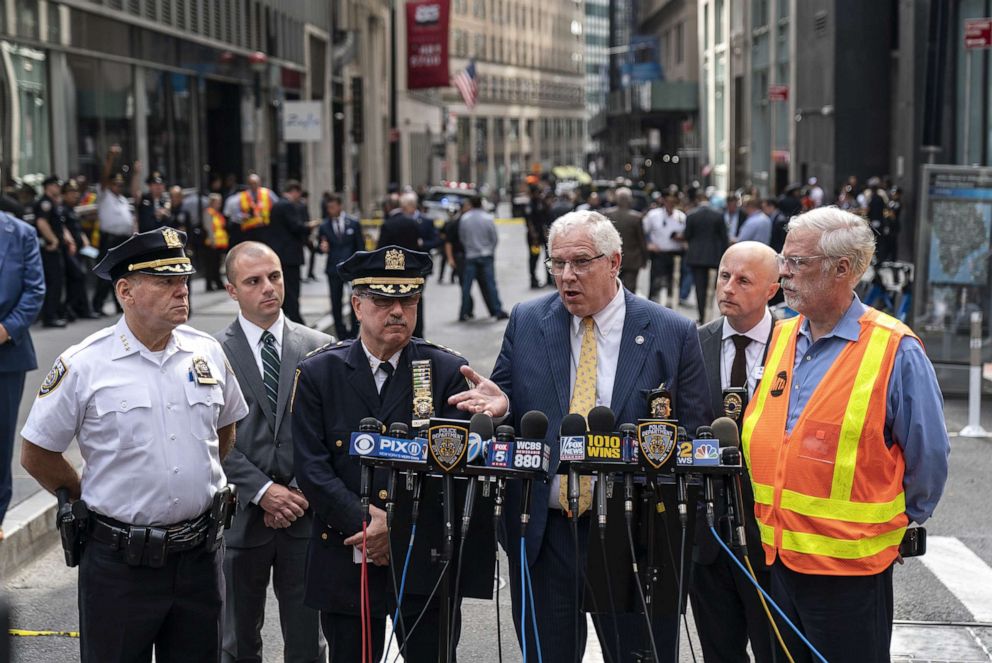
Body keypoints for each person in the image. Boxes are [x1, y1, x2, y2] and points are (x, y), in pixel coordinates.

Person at [448, 210, 712, 662]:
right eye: (557, 263)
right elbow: (507, 394)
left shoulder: (672, 331)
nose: (567, 276)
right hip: (545, 532)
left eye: (581, 262)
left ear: (615, 262)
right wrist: (502, 405)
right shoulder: (528, 321)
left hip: (635, 535)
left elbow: (692, 433)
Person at [20, 227, 249, 662]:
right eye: (166, 282)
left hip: (199, 557)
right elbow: (36, 452)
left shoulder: (207, 353)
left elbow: (225, 430)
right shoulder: (85, 363)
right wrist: (89, 495)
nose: (182, 291)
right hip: (120, 565)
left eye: (183, 280)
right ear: (125, 291)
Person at [742, 207, 950, 662]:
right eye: (784, 259)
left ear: (842, 270)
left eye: (798, 262)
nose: (785, 272)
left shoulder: (894, 348)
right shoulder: (782, 335)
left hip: (849, 575)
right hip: (777, 563)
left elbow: (928, 458)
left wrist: (889, 524)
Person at [291, 245, 494, 662]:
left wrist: (396, 529)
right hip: (347, 552)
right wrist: (367, 523)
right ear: (357, 305)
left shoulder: (445, 371)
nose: (398, 311)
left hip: (423, 558)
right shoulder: (318, 373)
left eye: (409, 300)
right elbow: (312, 467)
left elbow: (455, 467)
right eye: (384, 301)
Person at [217, 242, 331, 663]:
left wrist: (298, 490)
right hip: (241, 518)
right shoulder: (210, 353)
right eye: (253, 281)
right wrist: (263, 490)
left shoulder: (320, 346)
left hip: (304, 515)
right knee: (236, 642)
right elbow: (209, 436)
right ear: (231, 291)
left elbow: (330, 433)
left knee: (308, 643)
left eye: (275, 276)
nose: (268, 288)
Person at [693, 241, 782, 663]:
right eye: (724, 276)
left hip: (770, 535)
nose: (728, 287)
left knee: (773, 648)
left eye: (744, 280)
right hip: (708, 536)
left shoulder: (794, 347)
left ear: (772, 289)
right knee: (719, 652)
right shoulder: (693, 345)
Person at [0, 210, 44, 541]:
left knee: (1, 438)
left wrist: (6, 330)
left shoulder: (20, 233)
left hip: (7, 353)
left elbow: (34, 291)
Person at [92, 145, 138, 316]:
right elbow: (103, 177)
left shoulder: (122, 200)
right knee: (105, 273)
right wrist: (110, 158)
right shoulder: (104, 195)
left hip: (123, 239)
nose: (118, 186)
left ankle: (120, 304)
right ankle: (97, 305)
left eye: (120, 184)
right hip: (109, 239)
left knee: (122, 273)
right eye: (115, 183)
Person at [266, 180, 314, 324]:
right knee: (292, 289)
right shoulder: (287, 205)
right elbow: (296, 227)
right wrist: (309, 227)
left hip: (280, 253)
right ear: (295, 191)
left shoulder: (276, 205)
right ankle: (297, 320)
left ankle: (287, 318)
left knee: (283, 287)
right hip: (290, 254)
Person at [318, 193, 363, 339]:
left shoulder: (353, 223)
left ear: (339, 206)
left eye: (332, 207)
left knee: (355, 300)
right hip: (333, 269)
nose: (330, 210)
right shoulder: (324, 226)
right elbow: (319, 246)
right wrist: (321, 247)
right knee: (335, 302)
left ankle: (354, 333)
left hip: (351, 269)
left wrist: (360, 268)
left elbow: (360, 247)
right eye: (328, 207)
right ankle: (341, 334)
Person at [457, 195, 509, 322]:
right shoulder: (488, 218)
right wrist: (490, 250)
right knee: (490, 284)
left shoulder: (464, 218)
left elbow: (462, 237)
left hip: (471, 255)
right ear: (481, 203)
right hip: (486, 255)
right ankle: (497, 310)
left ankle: (463, 312)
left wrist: (469, 248)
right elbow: (494, 238)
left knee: (466, 286)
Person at [684, 192, 729, 324]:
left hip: (697, 257)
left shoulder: (691, 215)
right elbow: (724, 238)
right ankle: (718, 314)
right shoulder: (718, 215)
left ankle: (703, 315)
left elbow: (687, 235)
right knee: (718, 287)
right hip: (714, 257)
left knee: (700, 288)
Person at [33, 175, 69, 327]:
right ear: (48, 186)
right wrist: (53, 240)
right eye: (55, 185)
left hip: (55, 247)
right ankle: (50, 317)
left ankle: (54, 313)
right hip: (48, 248)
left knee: (57, 281)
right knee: (53, 281)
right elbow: (41, 222)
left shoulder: (53, 203)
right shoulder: (45, 203)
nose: (58, 188)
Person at [61, 179, 99, 321]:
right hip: (69, 250)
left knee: (79, 278)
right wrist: (70, 240)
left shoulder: (72, 210)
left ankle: (79, 309)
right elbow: (63, 228)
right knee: (78, 276)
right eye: (71, 192)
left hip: (79, 249)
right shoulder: (62, 209)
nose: (75, 195)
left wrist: (84, 239)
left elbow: (77, 229)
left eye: (76, 192)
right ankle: (69, 308)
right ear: (64, 194)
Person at [643, 190, 687, 306]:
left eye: (673, 202)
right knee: (656, 283)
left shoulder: (681, 217)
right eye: (668, 201)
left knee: (673, 283)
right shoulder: (653, 215)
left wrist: (681, 238)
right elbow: (643, 232)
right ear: (664, 201)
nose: (670, 204)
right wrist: (649, 244)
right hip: (659, 254)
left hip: (676, 255)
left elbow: (687, 234)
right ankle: (652, 306)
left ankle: (671, 305)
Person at [604, 187, 647, 293]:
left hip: (611, 257)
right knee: (630, 290)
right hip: (632, 259)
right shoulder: (636, 217)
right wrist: (645, 258)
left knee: (611, 289)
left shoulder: (607, 214)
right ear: (630, 200)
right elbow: (641, 240)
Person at [235, 174, 278, 240]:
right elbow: (236, 214)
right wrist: (242, 216)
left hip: (265, 228)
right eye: (251, 183)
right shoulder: (241, 196)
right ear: (248, 184)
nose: (253, 186)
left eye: (255, 183)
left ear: (259, 183)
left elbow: (278, 207)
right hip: (249, 230)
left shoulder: (268, 193)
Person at [202, 194, 229, 291]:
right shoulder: (209, 213)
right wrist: (212, 240)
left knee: (216, 264)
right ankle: (211, 284)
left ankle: (217, 282)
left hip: (219, 243)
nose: (219, 204)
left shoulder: (216, 213)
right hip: (212, 243)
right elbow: (209, 228)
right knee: (211, 264)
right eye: (218, 202)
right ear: (212, 202)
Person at [134, 168, 169, 234]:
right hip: (146, 238)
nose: (158, 186)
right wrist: (136, 174)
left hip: (162, 239)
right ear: (149, 186)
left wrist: (166, 213)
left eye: (161, 184)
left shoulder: (167, 201)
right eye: (155, 184)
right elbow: (134, 192)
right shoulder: (143, 198)